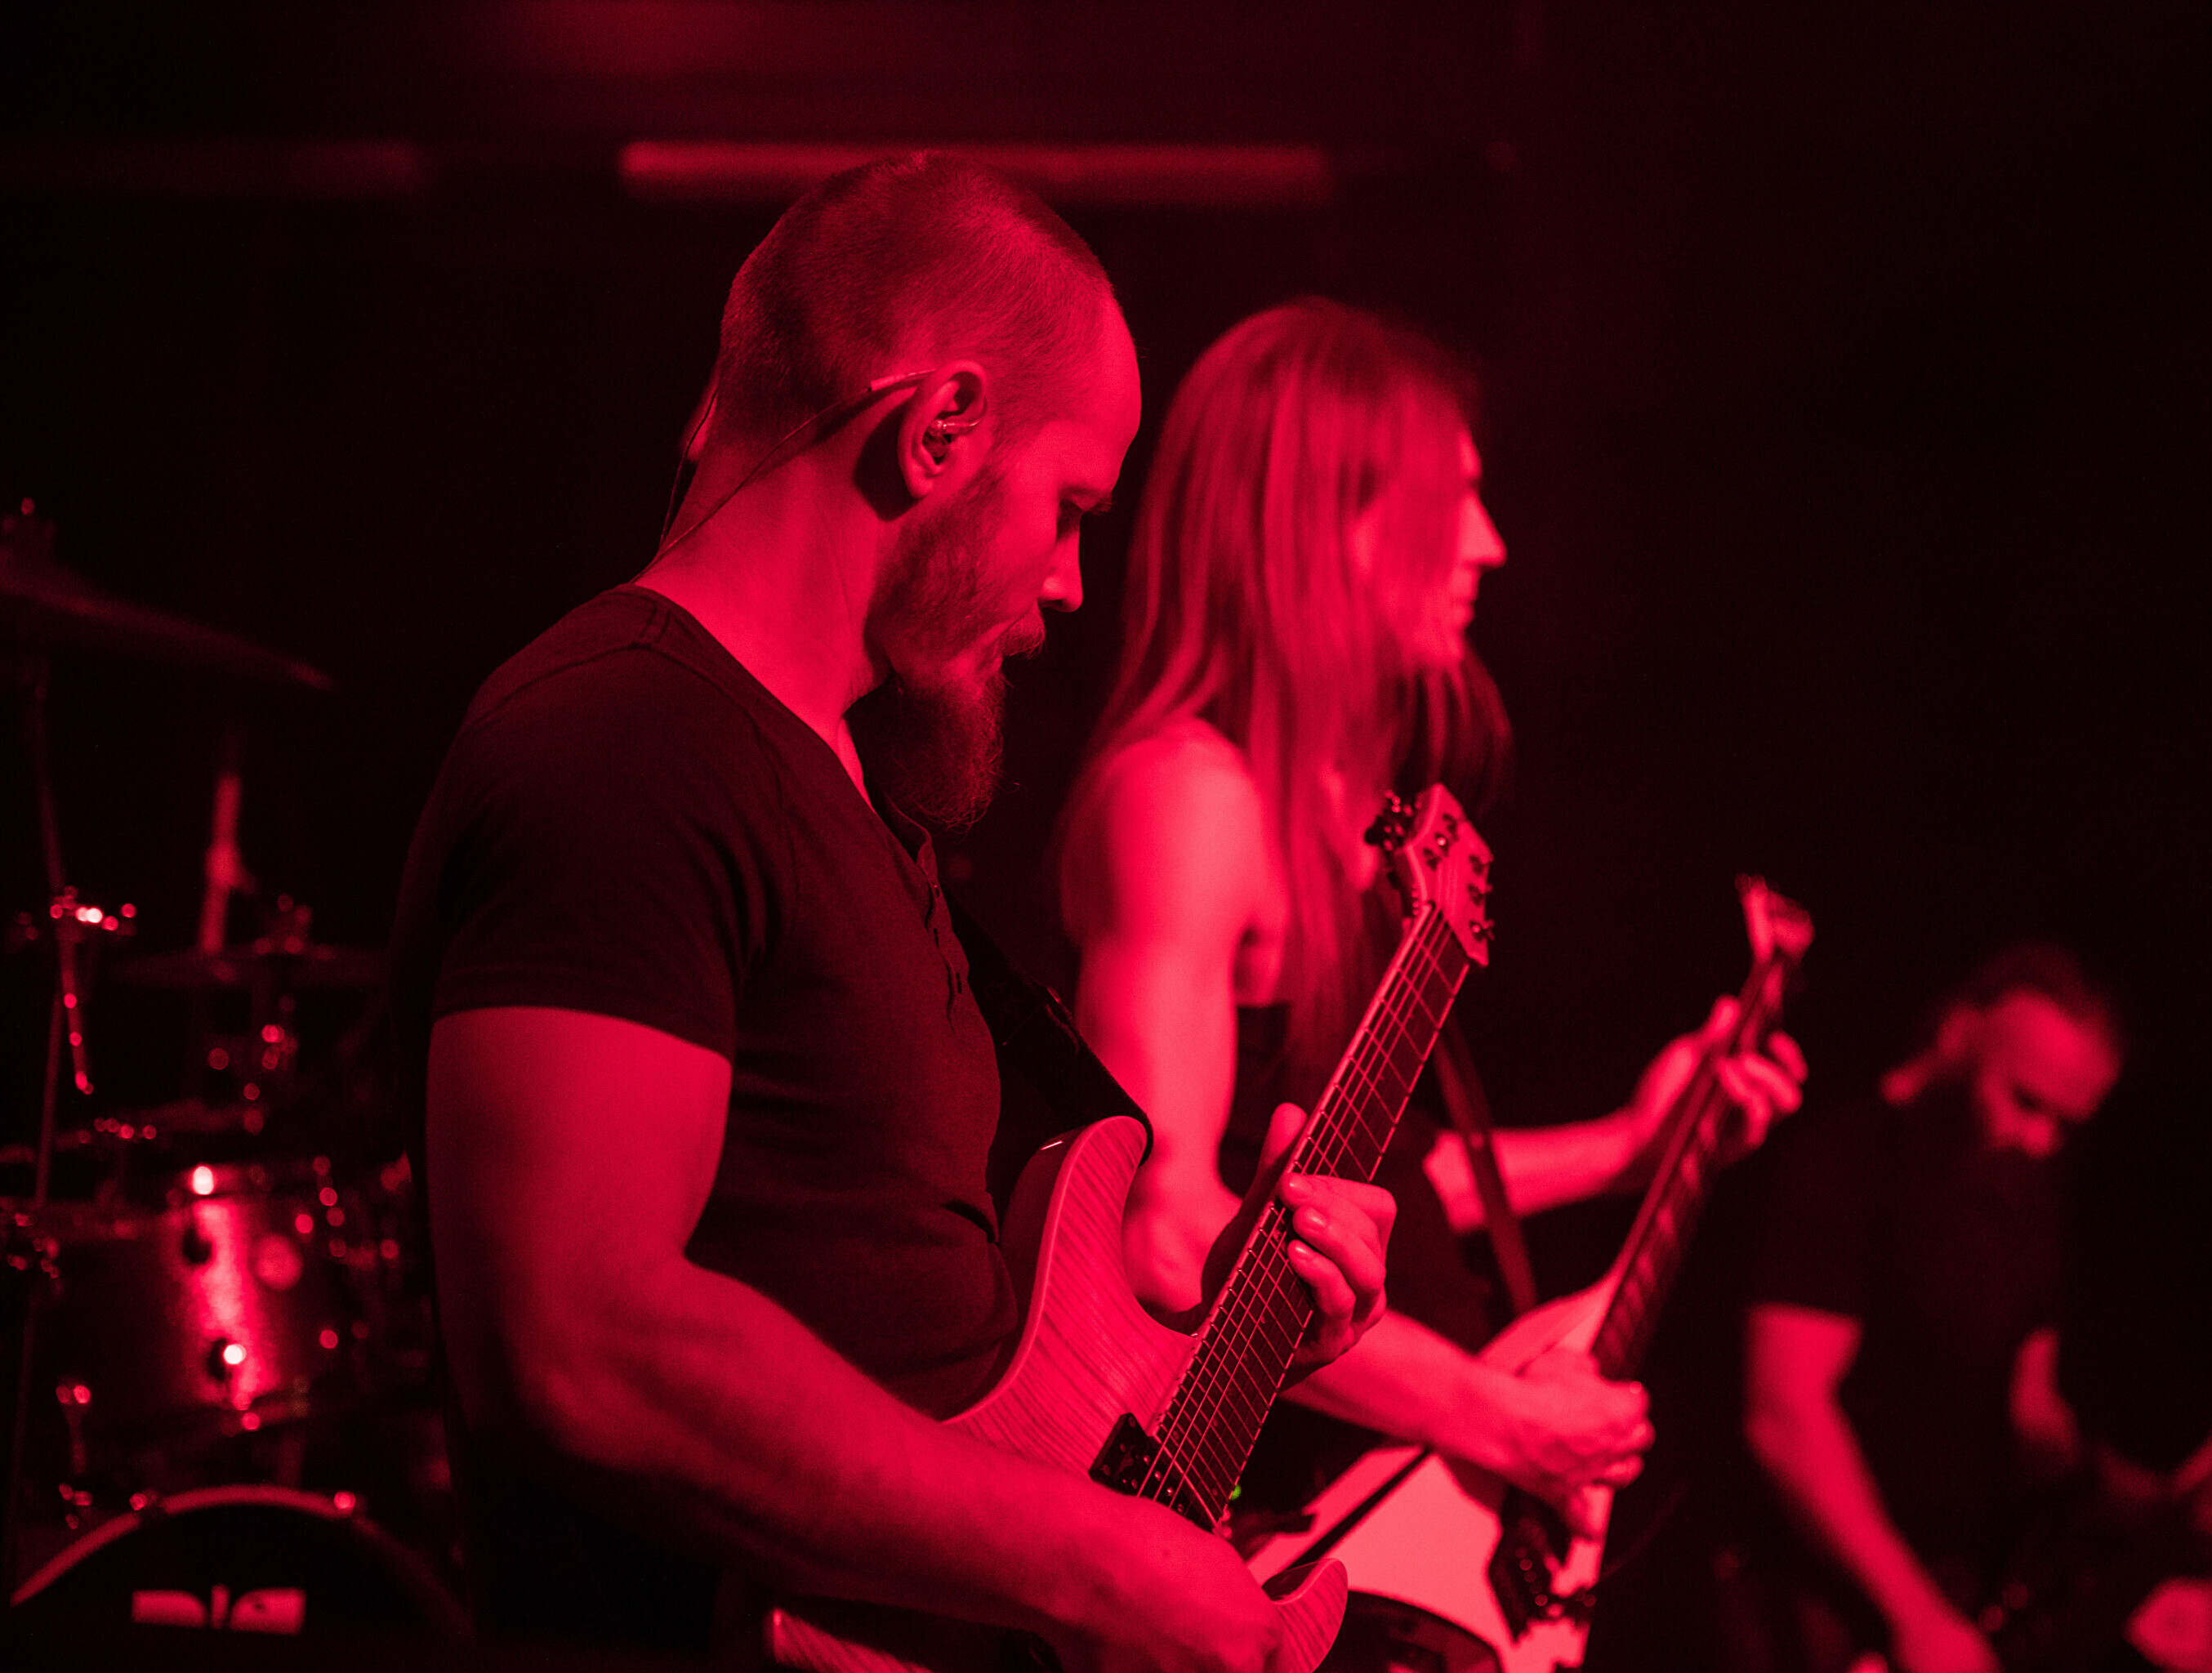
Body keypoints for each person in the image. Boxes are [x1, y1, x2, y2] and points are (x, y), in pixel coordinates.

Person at [390, 157, 1394, 1671]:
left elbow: (929, 1356)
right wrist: (1094, 1566)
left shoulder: (853, 800)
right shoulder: (622, 743)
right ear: (939, 431)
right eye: (1071, 509)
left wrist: (1243, 1329)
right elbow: (578, 1337)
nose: (1072, 583)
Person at [1055, 298, 1804, 1546]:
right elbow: (1169, 1231)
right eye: (1448, 499)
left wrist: (1626, 1147)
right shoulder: (1190, 798)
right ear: (1330, 523)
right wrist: (1499, 1417)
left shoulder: (1347, 811)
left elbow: (1368, 1195)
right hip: (1281, 1523)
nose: (1489, 545)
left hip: (1392, 1512)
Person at [1731, 944, 2212, 1673]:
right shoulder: (1844, 1163)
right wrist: (1914, 1617)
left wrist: (2159, 1503)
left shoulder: (2019, 1193)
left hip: (1954, 1592)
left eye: (2066, 1124)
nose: (2041, 1141)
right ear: (1958, 1035)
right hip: (1814, 1606)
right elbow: (1787, 1417)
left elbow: (2032, 1424)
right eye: (2024, 1102)